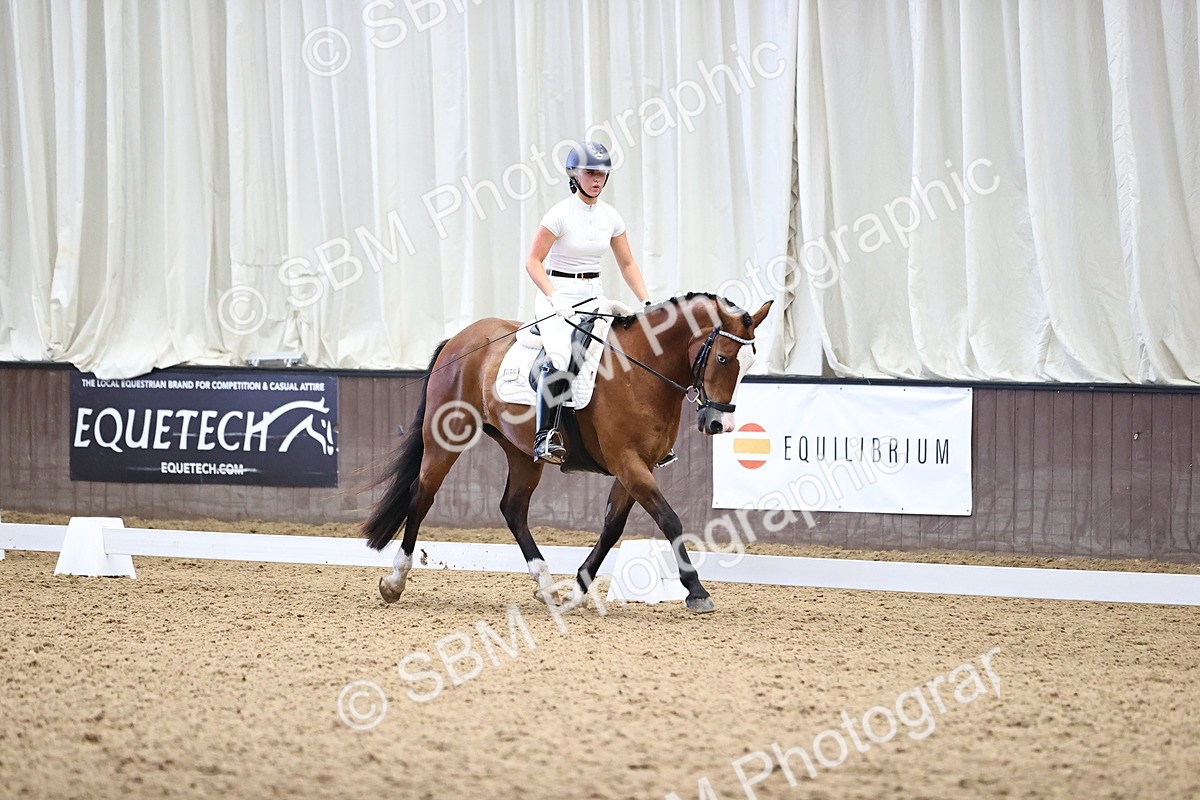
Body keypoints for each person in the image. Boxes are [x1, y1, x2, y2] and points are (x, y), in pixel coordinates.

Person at [524, 140, 676, 468]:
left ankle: (643, 433)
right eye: (590, 173)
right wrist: (554, 297)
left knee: (626, 347)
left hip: (594, 295)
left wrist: (647, 300)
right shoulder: (559, 214)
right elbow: (533, 262)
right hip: (557, 295)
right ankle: (545, 435)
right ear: (574, 174)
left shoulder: (611, 217)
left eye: (602, 174)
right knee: (562, 356)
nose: (596, 179)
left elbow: (627, 264)